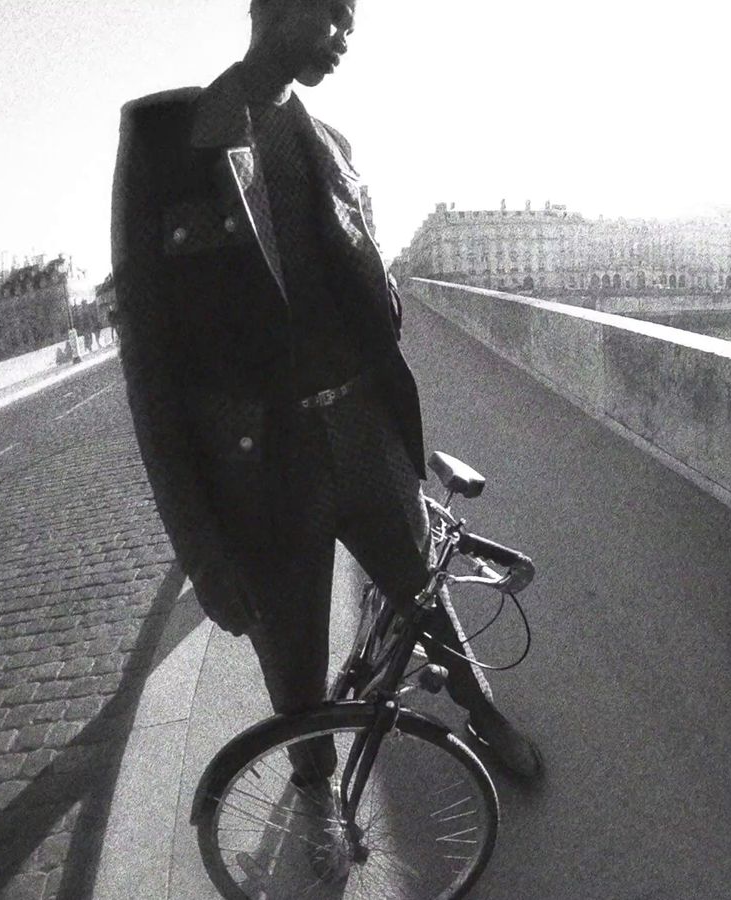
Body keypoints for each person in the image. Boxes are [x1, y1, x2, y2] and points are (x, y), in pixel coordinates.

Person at [110, 0, 543, 870]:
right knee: (295, 663)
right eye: (335, 18)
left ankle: (481, 707)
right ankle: (317, 799)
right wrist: (201, 549)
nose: (347, 39)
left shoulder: (335, 146)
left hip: (362, 430)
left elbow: (368, 299)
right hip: (266, 466)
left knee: (422, 592)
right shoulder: (166, 143)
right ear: (277, 11)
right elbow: (150, 376)